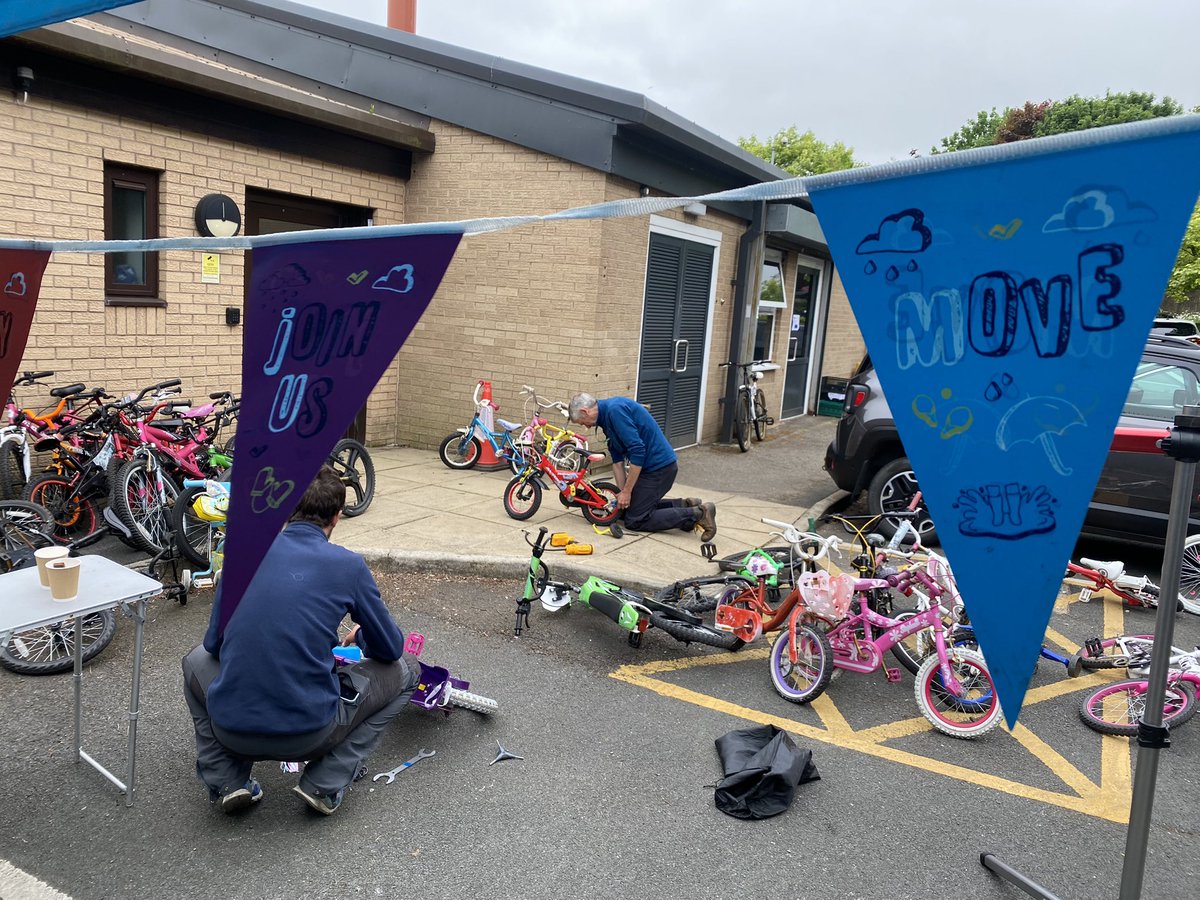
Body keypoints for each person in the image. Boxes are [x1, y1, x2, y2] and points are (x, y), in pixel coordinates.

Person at [181, 466, 418, 816]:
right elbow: (390, 649)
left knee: (194, 661)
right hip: (310, 731)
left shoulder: (243, 555)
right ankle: (325, 782)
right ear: (337, 518)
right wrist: (360, 636)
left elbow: (214, 646)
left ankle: (226, 779)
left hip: (231, 727)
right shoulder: (348, 566)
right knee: (406, 669)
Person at [568, 392, 716, 541]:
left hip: (660, 469)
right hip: (648, 469)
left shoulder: (615, 411)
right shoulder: (606, 419)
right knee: (626, 511)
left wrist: (627, 491)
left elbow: (638, 450)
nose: (585, 426)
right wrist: (622, 494)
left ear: (584, 412)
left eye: (582, 422)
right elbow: (617, 461)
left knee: (635, 520)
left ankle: (699, 513)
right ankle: (684, 506)